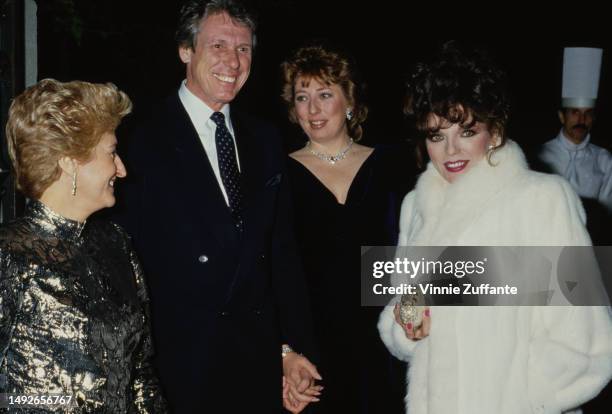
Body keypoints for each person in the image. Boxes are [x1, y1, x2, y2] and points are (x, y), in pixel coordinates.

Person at [378, 42, 612, 414]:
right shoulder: (416, 207)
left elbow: (587, 343)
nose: (451, 149)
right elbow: (401, 308)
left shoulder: (544, 199)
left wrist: (521, 398)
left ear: (496, 130)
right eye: (436, 135)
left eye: (467, 131)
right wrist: (408, 323)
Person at [112, 1, 320, 412]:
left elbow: (280, 257)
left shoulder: (264, 139)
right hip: (176, 370)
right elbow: (121, 264)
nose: (233, 61)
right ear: (185, 51)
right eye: (219, 45)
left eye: (243, 49)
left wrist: (289, 349)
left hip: (256, 364)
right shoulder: (137, 138)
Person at [0, 78, 166, 412]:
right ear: (70, 161)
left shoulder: (115, 243)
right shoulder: (8, 255)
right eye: (111, 152)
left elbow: (142, 372)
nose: (121, 169)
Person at [280, 44, 410, 413]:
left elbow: (415, 251)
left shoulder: (392, 165)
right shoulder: (278, 174)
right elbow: (271, 271)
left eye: (325, 94)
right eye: (302, 97)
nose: (313, 108)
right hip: (313, 350)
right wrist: (285, 350)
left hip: (387, 340)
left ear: (349, 100)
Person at [539, 47, 612, 244]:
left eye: (588, 113)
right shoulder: (541, 155)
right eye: (575, 112)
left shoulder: (604, 160)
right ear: (562, 116)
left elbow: (606, 211)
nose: (582, 119)